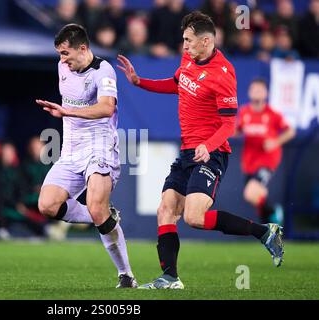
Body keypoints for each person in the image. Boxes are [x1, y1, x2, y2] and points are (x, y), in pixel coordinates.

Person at [117, 11, 284, 290]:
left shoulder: (223, 74)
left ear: (206, 41)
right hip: (187, 152)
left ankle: (264, 231)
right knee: (166, 210)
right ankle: (170, 278)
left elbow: (230, 124)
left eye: (188, 40)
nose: (184, 45)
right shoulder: (189, 59)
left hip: (212, 153)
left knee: (194, 217)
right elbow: (176, 84)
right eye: (183, 39)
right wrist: (139, 82)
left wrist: (209, 145)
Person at [36, 23, 137, 288]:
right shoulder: (63, 67)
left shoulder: (104, 71)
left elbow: (106, 108)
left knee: (95, 205)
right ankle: (106, 215)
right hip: (70, 149)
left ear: (83, 48)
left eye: (66, 53)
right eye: (60, 54)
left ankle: (126, 275)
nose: (62, 60)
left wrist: (67, 112)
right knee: (47, 205)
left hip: (100, 146)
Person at [237, 79, 295, 225]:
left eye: (260, 89)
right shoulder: (244, 112)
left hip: (268, 160)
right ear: (249, 92)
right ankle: (267, 226)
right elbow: (237, 131)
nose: (256, 92)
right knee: (255, 196)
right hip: (250, 161)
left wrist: (276, 142)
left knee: (250, 192)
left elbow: (290, 132)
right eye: (254, 89)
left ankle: (274, 211)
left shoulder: (272, 114)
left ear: (266, 93)